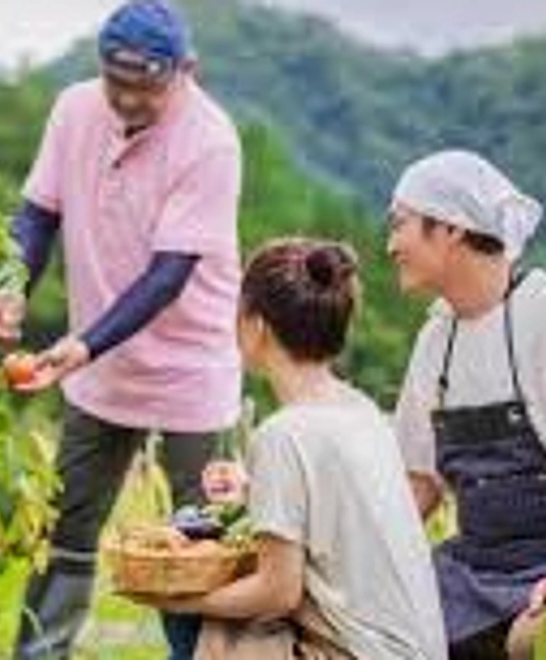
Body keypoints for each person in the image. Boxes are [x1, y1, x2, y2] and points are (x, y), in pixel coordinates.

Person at [0, 1, 243, 657]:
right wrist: (12, 285)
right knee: (65, 526)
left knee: (197, 543)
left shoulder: (211, 142)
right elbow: (38, 214)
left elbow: (167, 275)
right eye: (114, 83)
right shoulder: (74, 110)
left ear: (186, 72)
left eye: (145, 87)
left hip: (190, 374)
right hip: (100, 372)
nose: (126, 99)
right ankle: (40, 652)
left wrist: (82, 343)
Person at [130, 239, 447, 660]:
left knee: (193, 616)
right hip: (416, 649)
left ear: (257, 325)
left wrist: (178, 602)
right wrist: (251, 490)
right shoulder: (360, 410)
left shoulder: (283, 434)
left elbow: (277, 592)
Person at [388, 149, 546, 659]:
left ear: (451, 228)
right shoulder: (436, 341)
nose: (391, 245)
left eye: (401, 225)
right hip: (472, 572)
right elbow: (419, 484)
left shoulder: (539, 316)